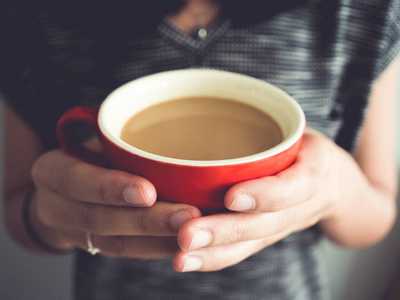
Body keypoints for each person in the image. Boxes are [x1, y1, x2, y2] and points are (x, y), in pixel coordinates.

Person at [1, 0, 399, 299]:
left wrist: (336, 188)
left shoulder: (366, 11)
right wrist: (51, 216)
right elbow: (18, 210)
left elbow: (379, 213)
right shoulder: (32, 16)